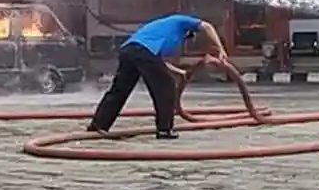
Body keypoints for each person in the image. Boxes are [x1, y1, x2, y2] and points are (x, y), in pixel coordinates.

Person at [87, 13, 227, 140]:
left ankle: (98, 125)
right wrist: (221, 49)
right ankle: (164, 130)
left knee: (119, 90)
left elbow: (157, 60)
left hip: (130, 50)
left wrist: (180, 72)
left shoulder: (161, 29)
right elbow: (207, 26)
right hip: (143, 51)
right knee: (166, 87)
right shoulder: (180, 20)